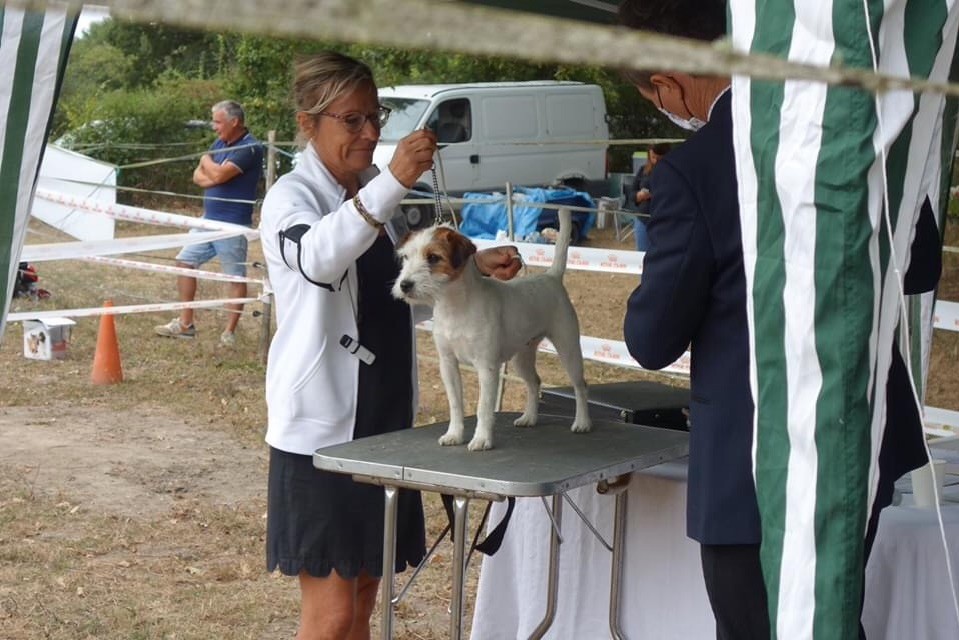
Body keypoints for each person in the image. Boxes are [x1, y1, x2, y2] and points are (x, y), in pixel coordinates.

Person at [618, 2, 935, 638]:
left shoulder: (691, 170)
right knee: (832, 614)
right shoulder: (855, 127)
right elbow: (919, 263)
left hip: (752, 459)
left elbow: (651, 340)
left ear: (668, 84)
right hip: (855, 428)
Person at [258, 51, 521, 640]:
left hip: (383, 417)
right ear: (309, 123)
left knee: (366, 598)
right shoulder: (291, 199)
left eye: (374, 117)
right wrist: (397, 181)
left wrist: (473, 264)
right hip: (321, 432)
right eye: (351, 120)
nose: (371, 133)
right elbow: (321, 258)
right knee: (330, 616)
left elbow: (407, 279)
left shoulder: (373, 187)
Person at [154, 100, 263, 347]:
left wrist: (206, 162)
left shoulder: (250, 148)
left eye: (217, 121)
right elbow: (199, 177)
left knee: (234, 278)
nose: (214, 127)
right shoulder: (220, 144)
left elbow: (217, 175)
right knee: (184, 263)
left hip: (232, 225)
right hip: (206, 222)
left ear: (234, 122)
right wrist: (210, 170)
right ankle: (185, 324)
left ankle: (229, 334)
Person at [624, 142, 670, 251]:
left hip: (664, 221)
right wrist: (638, 195)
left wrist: (655, 195)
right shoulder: (643, 169)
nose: (655, 161)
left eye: (659, 158)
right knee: (642, 254)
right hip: (643, 220)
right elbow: (631, 194)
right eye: (653, 157)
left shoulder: (673, 173)